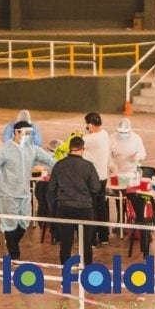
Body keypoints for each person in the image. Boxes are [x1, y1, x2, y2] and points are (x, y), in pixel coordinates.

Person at [0, 120, 55, 259]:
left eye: (29, 133)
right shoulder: (5, 149)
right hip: (6, 193)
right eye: (25, 133)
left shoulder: (32, 149)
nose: (28, 136)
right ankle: (15, 256)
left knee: (23, 224)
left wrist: (64, 167)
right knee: (10, 225)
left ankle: (11, 242)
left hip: (24, 194)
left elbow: (50, 160)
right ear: (16, 132)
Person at [48, 136, 100, 266]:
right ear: (82, 149)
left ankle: (66, 275)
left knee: (65, 244)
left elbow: (51, 187)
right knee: (86, 243)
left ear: (70, 148)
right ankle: (87, 274)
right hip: (84, 209)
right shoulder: (88, 166)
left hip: (64, 208)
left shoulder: (59, 165)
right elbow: (95, 188)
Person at [82, 112, 111, 246]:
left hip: (92, 178)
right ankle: (104, 236)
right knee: (101, 207)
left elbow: (75, 143)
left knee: (91, 208)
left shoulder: (90, 139)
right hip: (103, 176)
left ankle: (92, 239)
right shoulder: (105, 135)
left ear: (89, 125)